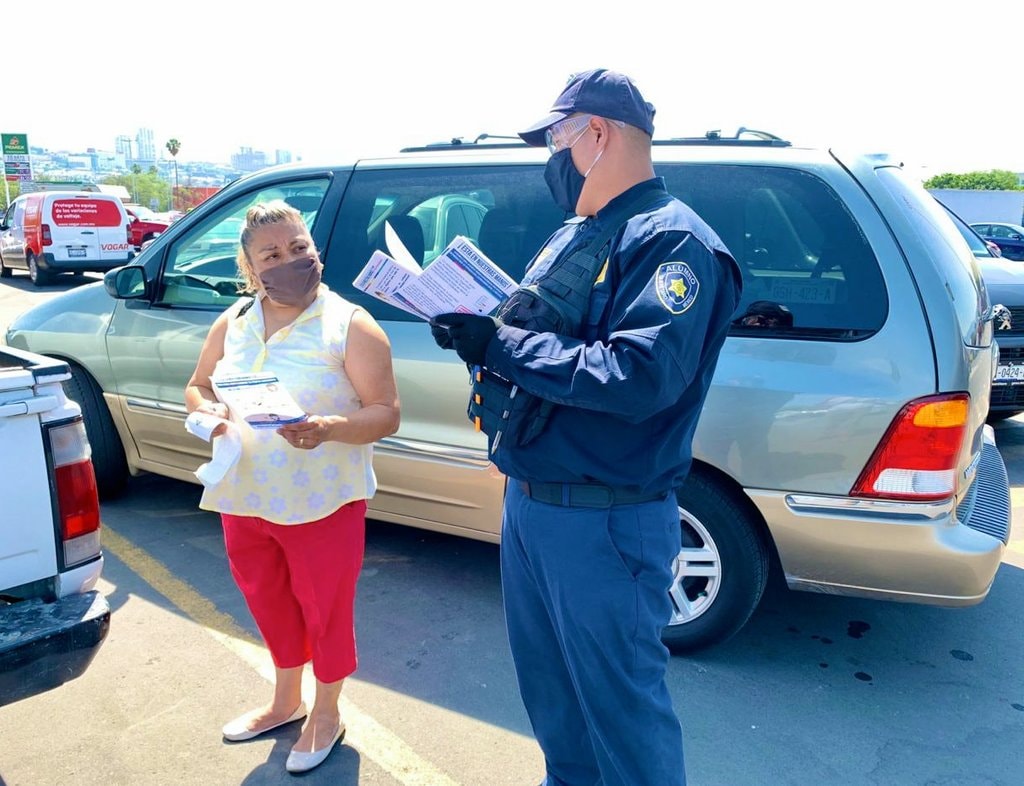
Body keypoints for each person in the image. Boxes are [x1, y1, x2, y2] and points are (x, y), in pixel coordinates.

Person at [430, 69, 742, 786]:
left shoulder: (672, 242)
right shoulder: (582, 234)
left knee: (621, 720)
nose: (550, 157)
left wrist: (499, 345)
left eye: (555, 139)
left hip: (606, 521)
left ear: (596, 133)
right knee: (556, 705)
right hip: (535, 505)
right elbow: (546, 340)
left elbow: (638, 376)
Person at [185, 201, 400, 774]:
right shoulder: (233, 320)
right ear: (251, 269)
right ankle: (285, 702)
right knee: (268, 599)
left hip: (321, 499)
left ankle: (326, 713)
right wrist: (209, 416)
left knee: (324, 608)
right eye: (272, 255)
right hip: (244, 492)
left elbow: (385, 413)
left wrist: (332, 428)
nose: (290, 261)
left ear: (315, 249)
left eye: (298, 247)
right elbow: (198, 385)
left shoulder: (350, 324)